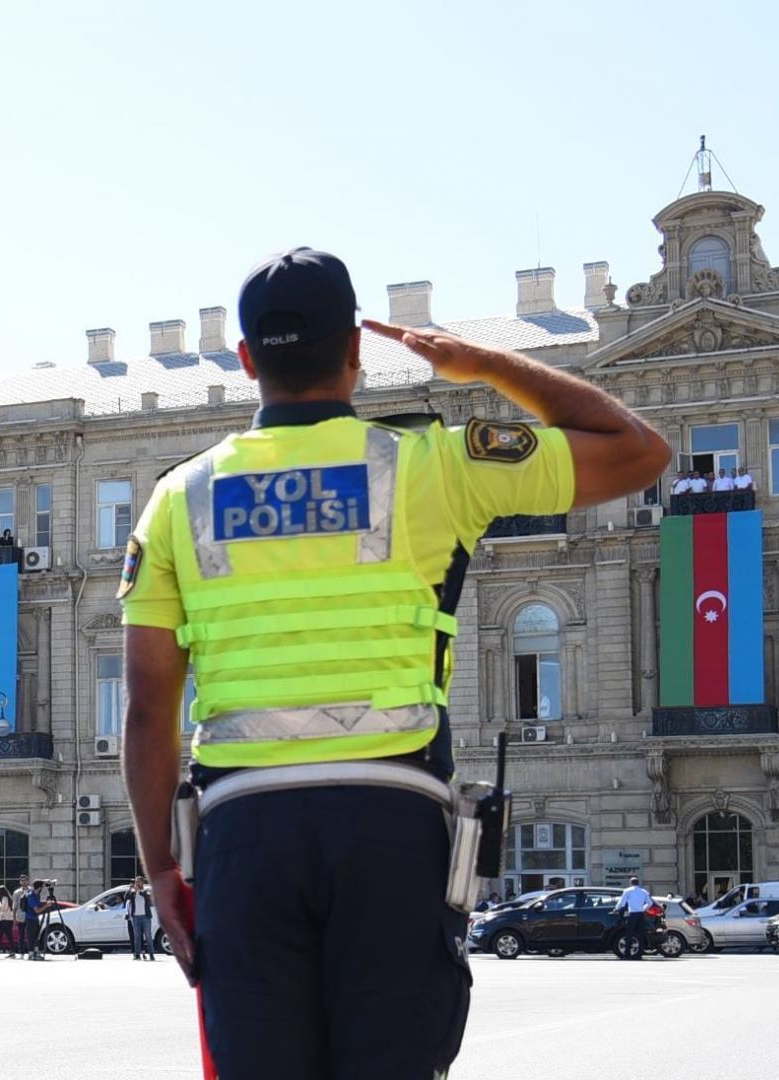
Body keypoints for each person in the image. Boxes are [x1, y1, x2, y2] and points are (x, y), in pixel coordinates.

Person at [121, 248, 670, 1078]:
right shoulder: (434, 463)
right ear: (355, 349)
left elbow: (147, 709)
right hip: (392, 820)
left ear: (245, 360)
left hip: (243, 834)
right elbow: (636, 449)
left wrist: (161, 866)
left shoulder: (178, 498)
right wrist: (483, 364)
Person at [613, 875, 654, 961]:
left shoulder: (627, 891)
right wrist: (643, 908)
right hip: (641, 914)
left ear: (630, 883)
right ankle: (639, 955)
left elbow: (622, 903)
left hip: (632, 914)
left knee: (629, 934)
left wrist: (616, 909)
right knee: (641, 935)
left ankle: (627, 954)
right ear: (638, 883)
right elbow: (650, 903)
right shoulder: (643, 891)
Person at [126, 876, 155, 961]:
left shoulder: (146, 890)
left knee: (148, 936)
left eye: (139, 881)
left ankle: (151, 955)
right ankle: (137, 955)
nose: (137, 883)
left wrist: (139, 891)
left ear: (143, 882)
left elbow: (147, 898)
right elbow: (126, 898)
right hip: (136, 917)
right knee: (137, 936)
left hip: (146, 917)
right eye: (136, 881)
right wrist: (130, 889)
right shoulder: (133, 892)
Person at [12, 874, 32, 956]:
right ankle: (21, 951)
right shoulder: (17, 892)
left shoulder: (31, 891)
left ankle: (31, 951)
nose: (24, 882)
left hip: (30, 916)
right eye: (22, 881)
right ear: (20, 882)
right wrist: (14, 918)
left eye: (25, 880)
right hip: (20, 917)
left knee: (31, 935)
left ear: (28, 881)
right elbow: (14, 906)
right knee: (21, 935)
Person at [0, 885, 15, 956]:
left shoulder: (4, 898)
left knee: (0, 936)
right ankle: (12, 951)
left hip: (5, 919)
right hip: (8, 919)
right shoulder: (8, 898)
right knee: (8, 936)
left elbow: (4, 908)